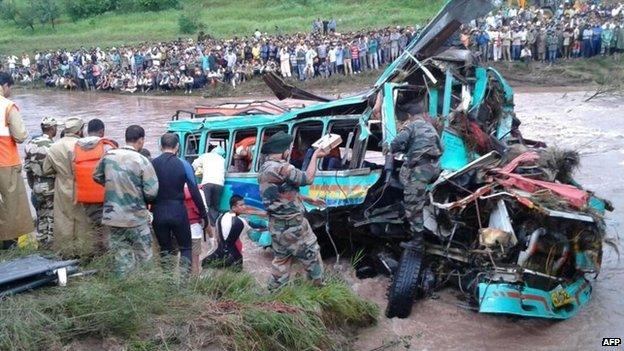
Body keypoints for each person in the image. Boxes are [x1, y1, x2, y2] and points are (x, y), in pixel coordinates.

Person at [257, 131, 328, 290]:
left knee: (281, 262)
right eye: (288, 148)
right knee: (312, 256)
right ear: (284, 150)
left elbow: (282, 196)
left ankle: (273, 297)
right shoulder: (283, 168)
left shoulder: (264, 169)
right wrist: (315, 156)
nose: (290, 151)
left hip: (277, 227)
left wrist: (310, 200)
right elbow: (307, 179)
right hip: (294, 227)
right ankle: (320, 293)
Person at [93, 125, 159, 276]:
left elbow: (96, 176)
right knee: (145, 258)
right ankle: (145, 289)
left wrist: (112, 187)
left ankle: (124, 289)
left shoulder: (108, 156)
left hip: (113, 218)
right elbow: (152, 192)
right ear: (141, 140)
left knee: (121, 258)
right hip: (136, 218)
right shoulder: (141, 160)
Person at [389, 103, 442, 257]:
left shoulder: (411, 126)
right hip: (434, 168)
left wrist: (391, 148)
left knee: (412, 203)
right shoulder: (431, 128)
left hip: (421, 170)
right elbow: (441, 148)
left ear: (410, 116)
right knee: (416, 193)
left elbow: (397, 143)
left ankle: (417, 242)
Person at [151, 133, 208, 267]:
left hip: (158, 211)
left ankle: (168, 283)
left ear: (160, 146)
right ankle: (183, 284)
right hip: (178, 211)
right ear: (177, 146)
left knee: (165, 250)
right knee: (186, 248)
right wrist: (204, 215)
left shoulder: (152, 164)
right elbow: (194, 191)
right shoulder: (184, 164)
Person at [43, 117, 94, 257]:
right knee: (82, 220)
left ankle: (65, 252)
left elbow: (46, 169)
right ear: (79, 130)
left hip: (62, 185)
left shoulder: (54, 147)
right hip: (81, 185)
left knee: (63, 220)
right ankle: (84, 252)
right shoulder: (84, 145)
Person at [74, 118, 118, 254]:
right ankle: (108, 257)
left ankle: (96, 255)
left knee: (94, 228)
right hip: (105, 196)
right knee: (110, 230)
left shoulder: (77, 147)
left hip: (86, 196)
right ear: (102, 131)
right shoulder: (107, 147)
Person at [0, 72, 33, 249]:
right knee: (11, 204)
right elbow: (20, 136)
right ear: (5, 86)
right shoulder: (7, 106)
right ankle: (9, 244)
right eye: (10, 87)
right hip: (5, 162)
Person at [204, 195, 266, 270]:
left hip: (219, 251)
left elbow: (218, 236)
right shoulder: (240, 222)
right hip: (233, 257)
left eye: (244, 204)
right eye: (241, 205)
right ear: (233, 207)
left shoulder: (221, 216)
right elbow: (254, 237)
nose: (244, 207)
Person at [24, 117, 59, 246]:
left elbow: (27, 169)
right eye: (56, 127)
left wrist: (33, 187)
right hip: (50, 185)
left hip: (37, 184)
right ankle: (51, 245)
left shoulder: (30, 144)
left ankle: (41, 243)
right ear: (52, 128)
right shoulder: (53, 146)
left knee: (41, 216)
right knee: (52, 216)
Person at [192, 146, 226, 226]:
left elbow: (193, 165)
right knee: (215, 206)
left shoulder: (205, 156)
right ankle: (214, 224)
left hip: (207, 182)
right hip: (219, 183)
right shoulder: (222, 159)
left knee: (206, 204)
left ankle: (205, 224)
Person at [183, 184, 205, 275]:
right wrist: (211, 236)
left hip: (179, 228)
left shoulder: (174, 187)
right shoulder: (199, 191)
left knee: (182, 258)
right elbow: (204, 213)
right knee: (195, 260)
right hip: (195, 229)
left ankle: (183, 283)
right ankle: (195, 284)